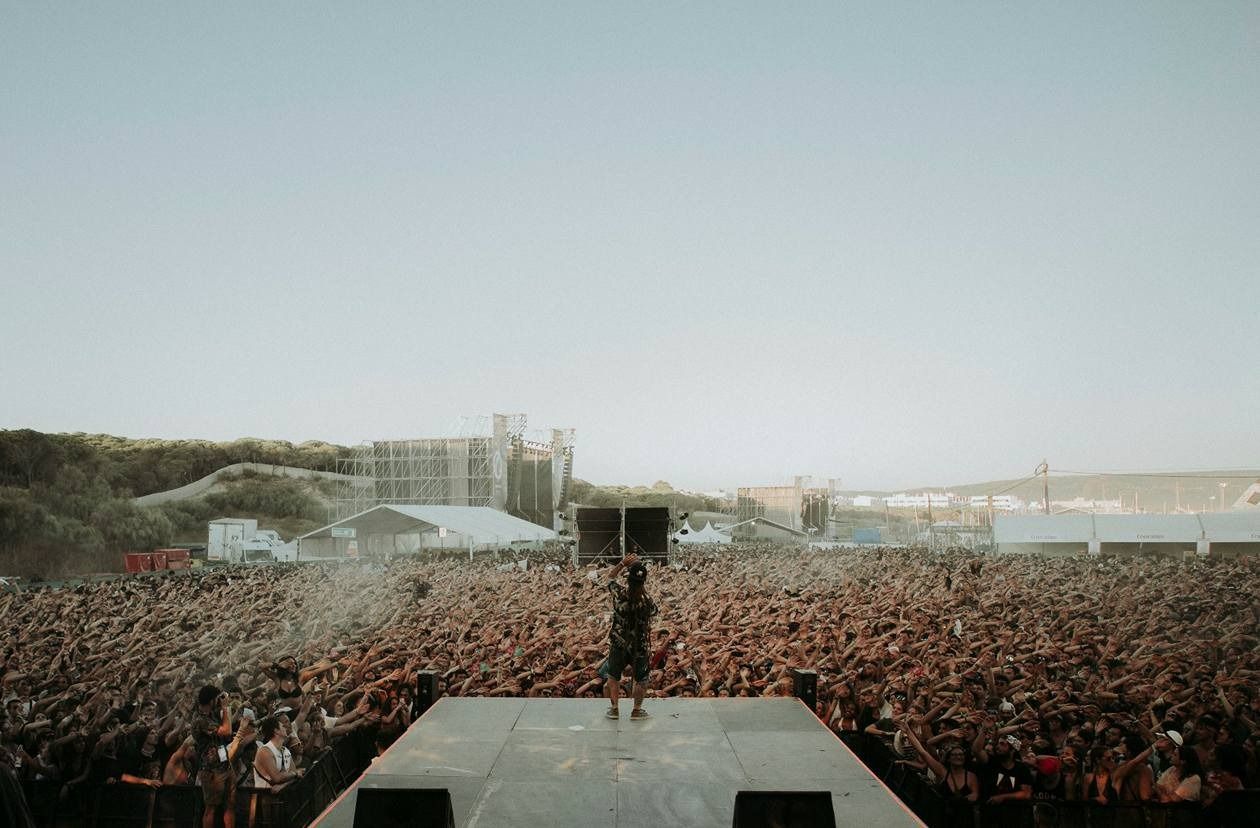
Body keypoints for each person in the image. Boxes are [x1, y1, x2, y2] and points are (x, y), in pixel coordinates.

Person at [597, 553, 658, 720]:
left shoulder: (619, 594)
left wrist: (622, 564)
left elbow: (609, 578)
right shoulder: (647, 601)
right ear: (643, 582)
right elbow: (654, 612)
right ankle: (637, 710)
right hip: (639, 645)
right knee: (642, 678)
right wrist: (641, 588)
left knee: (613, 675)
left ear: (628, 579)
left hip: (619, 642)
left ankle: (615, 709)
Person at [252, 716, 304, 789]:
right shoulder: (265, 751)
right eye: (282, 726)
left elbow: (294, 777)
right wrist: (295, 773)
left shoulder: (285, 750)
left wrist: (282, 785)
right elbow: (277, 778)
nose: (285, 727)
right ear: (276, 731)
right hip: (263, 797)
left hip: (282, 797)